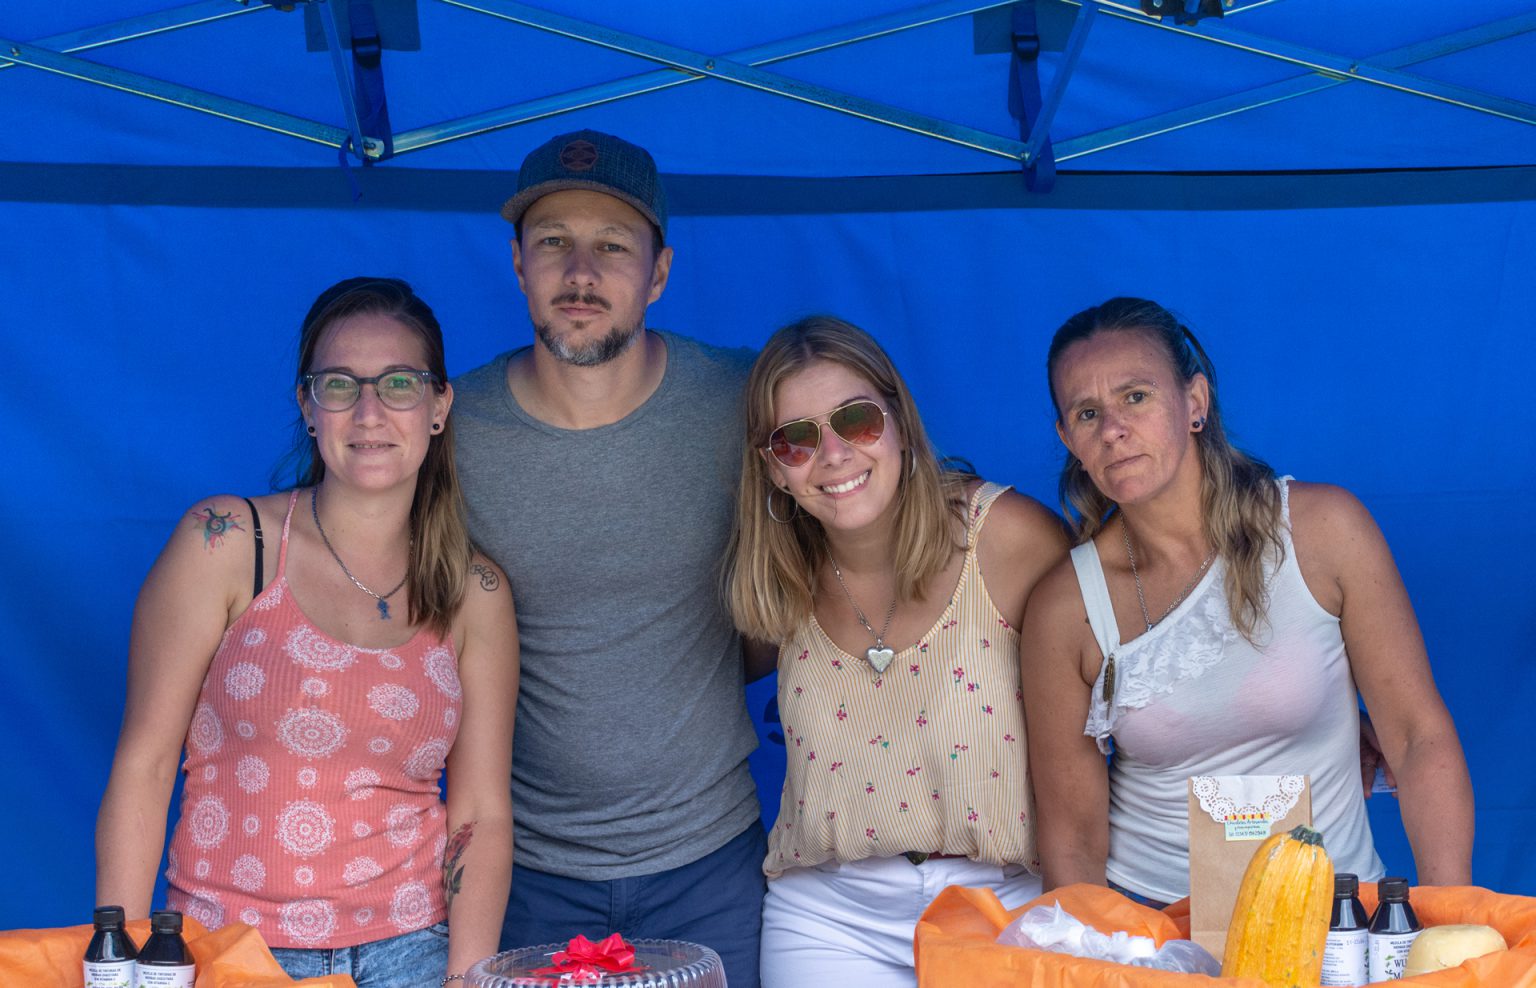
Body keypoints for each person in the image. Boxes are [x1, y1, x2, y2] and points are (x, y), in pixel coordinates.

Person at [96, 277, 520, 987]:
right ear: (307, 405)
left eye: (399, 383)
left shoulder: (475, 593)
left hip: (411, 956)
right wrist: (122, 962)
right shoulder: (226, 544)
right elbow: (145, 764)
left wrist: (466, 977)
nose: (369, 411)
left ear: (440, 406)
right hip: (226, 950)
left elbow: (481, 811)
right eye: (339, 385)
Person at [1022, 296, 1474, 906]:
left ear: (1195, 403)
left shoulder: (1323, 531)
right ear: (1066, 437)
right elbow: (1072, 840)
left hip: (1333, 916)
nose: (1113, 430)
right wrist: (1100, 958)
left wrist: (1446, 921)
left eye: (1136, 396)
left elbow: (1419, 739)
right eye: (1086, 413)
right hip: (1159, 932)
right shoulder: (1065, 608)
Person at [451, 130, 766, 984]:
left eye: (612, 247)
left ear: (659, 272)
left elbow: (856, 531)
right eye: (553, 242)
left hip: (710, 862)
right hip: (525, 871)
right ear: (518, 264)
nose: (580, 273)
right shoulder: (452, 427)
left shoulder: (743, 399)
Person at [726, 316, 1068, 987]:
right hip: (828, 919)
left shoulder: (1008, 539)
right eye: (795, 440)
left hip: (1002, 904)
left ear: (900, 422)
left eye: (856, 421)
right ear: (772, 469)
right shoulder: (779, 580)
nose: (832, 455)